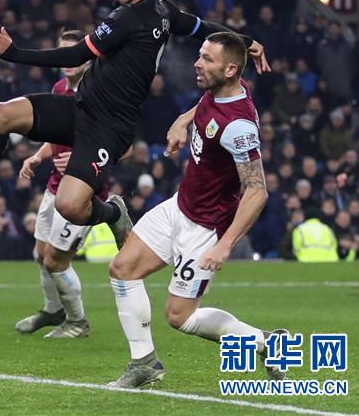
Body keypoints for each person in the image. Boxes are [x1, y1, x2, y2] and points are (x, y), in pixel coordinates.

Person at [0, 0, 270, 245]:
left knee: (70, 207)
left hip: (110, 127)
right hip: (80, 107)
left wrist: (15, 53)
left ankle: (113, 212)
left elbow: (76, 55)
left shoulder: (134, 17)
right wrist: (245, 40)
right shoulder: (162, 11)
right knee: (0, 115)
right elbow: (203, 28)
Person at [106, 32, 286, 388]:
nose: (197, 64)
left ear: (230, 69)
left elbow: (257, 191)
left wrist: (225, 245)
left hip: (205, 227)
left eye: (207, 59)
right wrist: (183, 119)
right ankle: (144, 364)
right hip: (180, 205)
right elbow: (209, 102)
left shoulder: (238, 127)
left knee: (180, 317)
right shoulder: (226, 87)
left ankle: (267, 343)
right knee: (122, 269)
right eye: (200, 55)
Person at [14, 30, 93, 338]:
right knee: (40, 254)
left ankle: (77, 322)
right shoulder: (59, 88)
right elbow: (57, 134)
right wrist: (38, 155)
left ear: (87, 58)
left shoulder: (98, 90)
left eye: (75, 52)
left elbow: (117, 143)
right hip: (55, 185)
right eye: (64, 53)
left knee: (56, 260)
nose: (68, 59)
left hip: (83, 188)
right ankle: (52, 310)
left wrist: (80, 158)